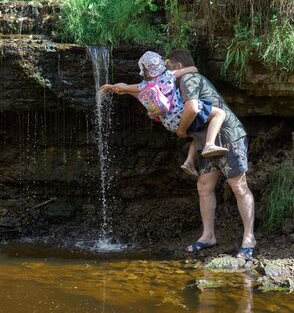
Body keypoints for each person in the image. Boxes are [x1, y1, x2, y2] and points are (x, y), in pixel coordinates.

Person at [165, 49, 256, 258]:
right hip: (205, 142)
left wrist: (180, 131)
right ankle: (208, 236)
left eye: (168, 66)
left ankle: (249, 239)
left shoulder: (188, 78)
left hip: (228, 137)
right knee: (204, 186)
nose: (165, 70)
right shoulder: (179, 81)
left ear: (177, 67)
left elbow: (193, 109)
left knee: (239, 187)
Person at [100, 51, 228, 176]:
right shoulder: (169, 75)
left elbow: (125, 87)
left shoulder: (144, 85)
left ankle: (189, 162)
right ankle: (210, 145)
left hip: (169, 123)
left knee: (198, 130)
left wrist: (112, 87)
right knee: (219, 113)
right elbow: (193, 69)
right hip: (182, 113)